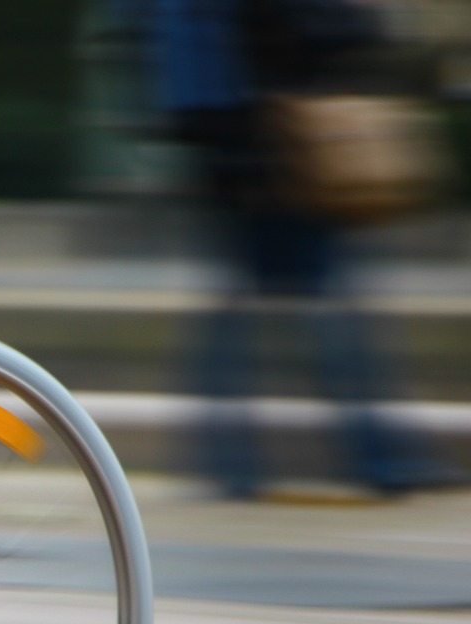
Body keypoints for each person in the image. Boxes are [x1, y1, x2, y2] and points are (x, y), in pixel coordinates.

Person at [149, 0, 465, 498]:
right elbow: (327, 27)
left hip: (245, 149)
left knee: (247, 311)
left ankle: (230, 461)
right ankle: (378, 458)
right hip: (276, 147)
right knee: (328, 307)